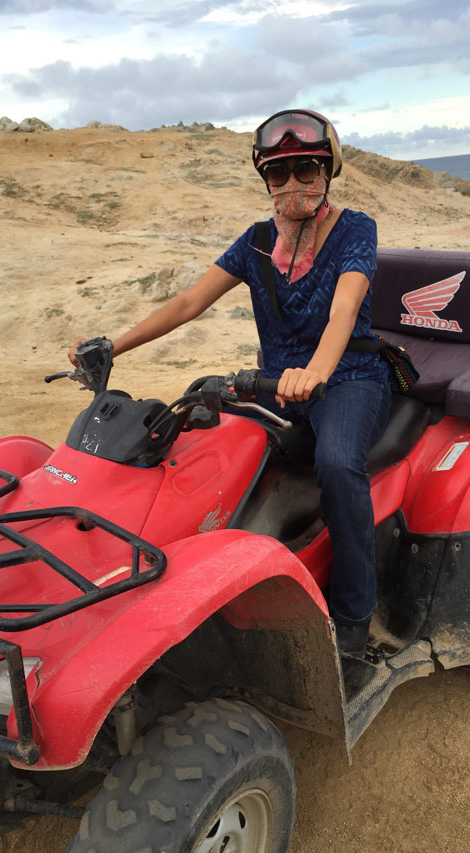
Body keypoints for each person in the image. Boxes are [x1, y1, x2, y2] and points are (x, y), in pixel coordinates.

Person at [68, 109, 391, 658]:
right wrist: (111, 347)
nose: (292, 185)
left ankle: (355, 615)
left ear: (329, 171)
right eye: (279, 173)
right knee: (192, 430)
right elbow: (189, 302)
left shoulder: (356, 229)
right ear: (265, 178)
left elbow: (344, 309)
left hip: (348, 378)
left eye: (306, 170)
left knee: (338, 465)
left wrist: (315, 371)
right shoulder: (257, 242)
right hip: (274, 381)